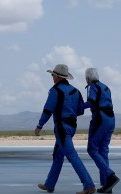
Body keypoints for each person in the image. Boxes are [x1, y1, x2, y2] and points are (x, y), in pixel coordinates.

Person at [35, 64, 96, 194]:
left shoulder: (55, 91)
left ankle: (89, 185)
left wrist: (39, 126)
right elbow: (80, 111)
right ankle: (49, 184)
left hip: (61, 128)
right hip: (72, 127)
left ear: (57, 77)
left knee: (72, 156)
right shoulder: (75, 91)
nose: (52, 77)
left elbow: (48, 110)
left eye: (52, 75)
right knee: (57, 155)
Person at [84, 68, 119, 193]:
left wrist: (78, 107)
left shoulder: (92, 87)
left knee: (92, 149)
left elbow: (91, 102)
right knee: (103, 150)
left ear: (87, 78)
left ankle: (110, 176)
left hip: (100, 119)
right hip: (111, 119)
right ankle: (106, 186)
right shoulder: (106, 87)